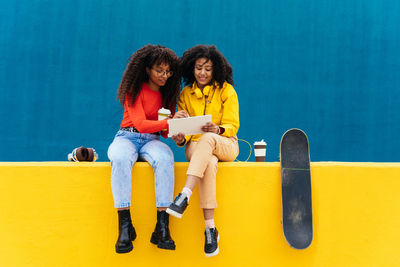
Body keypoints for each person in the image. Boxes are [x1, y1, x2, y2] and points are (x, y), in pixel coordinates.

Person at [107, 44, 184, 253]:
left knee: (166, 159)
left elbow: (165, 132)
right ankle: (124, 226)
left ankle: (162, 227)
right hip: (127, 136)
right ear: (147, 68)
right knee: (120, 158)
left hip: (152, 139)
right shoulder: (134, 89)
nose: (164, 75)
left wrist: (178, 132)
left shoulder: (167, 95)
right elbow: (140, 123)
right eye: (160, 70)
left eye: (168, 72)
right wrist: (170, 122)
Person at [166, 45, 240, 257]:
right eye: (199, 68)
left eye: (208, 68)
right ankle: (210, 229)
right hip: (196, 148)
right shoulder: (185, 94)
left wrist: (218, 129)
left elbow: (233, 125)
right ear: (192, 69)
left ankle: (185, 194)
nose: (202, 73)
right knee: (208, 163)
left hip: (225, 143)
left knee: (208, 138)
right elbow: (184, 133)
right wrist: (180, 136)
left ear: (215, 70)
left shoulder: (226, 90)